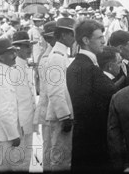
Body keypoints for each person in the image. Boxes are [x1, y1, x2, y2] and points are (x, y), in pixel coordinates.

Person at [67, 20, 117, 171]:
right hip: (91, 142)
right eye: (99, 38)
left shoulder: (87, 65)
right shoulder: (82, 67)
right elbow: (85, 107)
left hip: (93, 139)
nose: (103, 41)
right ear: (86, 40)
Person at [45, 17, 76, 171]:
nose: (74, 38)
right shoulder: (57, 56)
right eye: (72, 34)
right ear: (63, 35)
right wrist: (65, 116)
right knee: (60, 160)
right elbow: (55, 90)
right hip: (60, 117)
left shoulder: (62, 54)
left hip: (62, 115)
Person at [0, 38, 22, 171]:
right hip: (4, 134)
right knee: (3, 168)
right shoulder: (2, 77)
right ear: (1, 56)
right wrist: (13, 135)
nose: (14, 56)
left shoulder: (5, 73)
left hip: (3, 132)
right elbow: (4, 111)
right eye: (11, 53)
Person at [10, 31, 37, 171]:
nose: (30, 49)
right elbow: (11, 101)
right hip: (17, 123)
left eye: (30, 45)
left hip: (28, 120)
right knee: (17, 160)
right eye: (26, 46)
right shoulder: (12, 69)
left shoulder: (26, 66)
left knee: (26, 159)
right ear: (16, 48)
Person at [33, 21, 56, 168]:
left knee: (51, 148)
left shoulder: (49, 54)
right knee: (51, 149)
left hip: (49, 108)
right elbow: (51, 90)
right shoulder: (49, 57)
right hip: (50, 109)